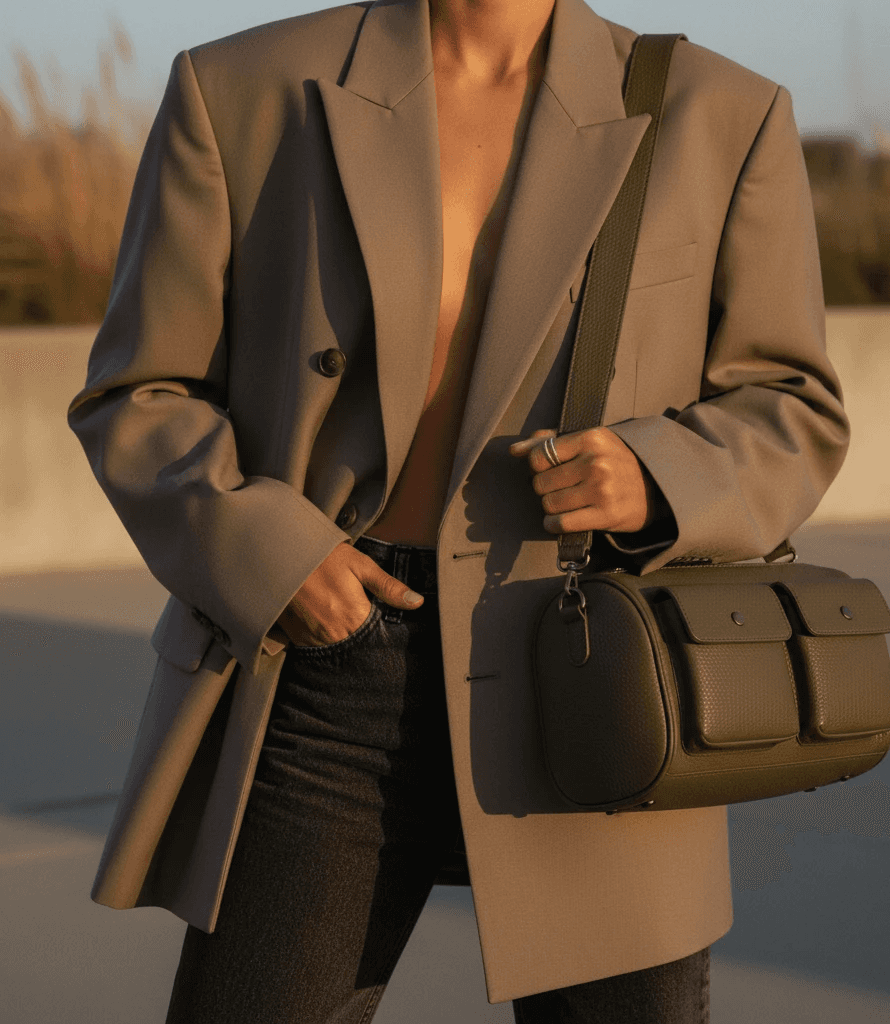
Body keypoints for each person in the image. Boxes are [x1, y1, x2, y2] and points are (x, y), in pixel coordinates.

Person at [67, 0, 849, 1020]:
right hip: (325, 672)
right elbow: (138, 390)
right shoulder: (245, 88)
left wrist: (659, 475)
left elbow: (792, 405)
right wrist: (267, 551)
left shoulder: (717, 111)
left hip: (593, 665)